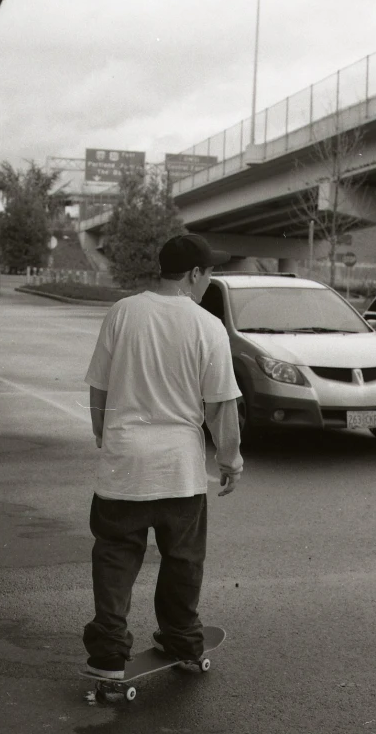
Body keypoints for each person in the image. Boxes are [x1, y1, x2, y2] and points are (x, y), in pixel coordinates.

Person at [83, 233, 243, 680]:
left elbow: (98, 385)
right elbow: (220, 406)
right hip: (180, 472)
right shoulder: (207, 326)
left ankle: (110, 654)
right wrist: (230, 461)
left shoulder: (123, 312)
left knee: (115, 557)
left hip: (123, 466)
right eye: (209, 272)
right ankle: (181, 637)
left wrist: (103, 433)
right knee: (182, 560)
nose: (209, 280)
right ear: (194, 274)